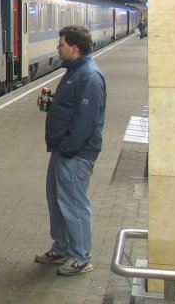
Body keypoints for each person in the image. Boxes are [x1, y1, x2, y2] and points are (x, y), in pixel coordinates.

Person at [34, 25, 107, 276]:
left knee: (74, 204)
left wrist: (68, 148)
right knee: (57, 200)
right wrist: (54, 104)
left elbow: (86, 120)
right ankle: (62, 247)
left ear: (74, 48)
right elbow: (73, 107)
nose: (58, 47)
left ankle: (81, 257)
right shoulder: (75, 71)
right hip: (62, 150)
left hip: (74, 154)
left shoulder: (89, 76)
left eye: (61, 44)